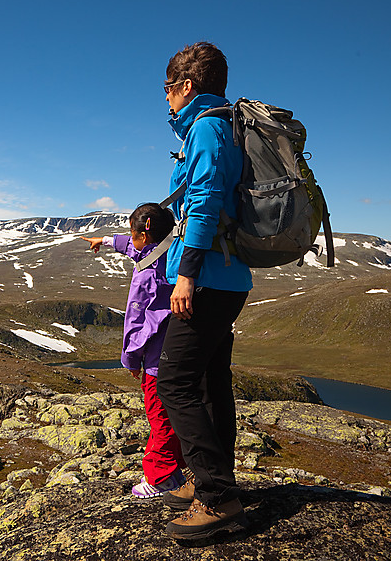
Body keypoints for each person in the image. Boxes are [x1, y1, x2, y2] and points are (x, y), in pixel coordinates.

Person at [155, 41, 253, 539]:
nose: (166, 98)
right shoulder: (226, 126)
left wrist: (187, 274)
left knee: (174, 382)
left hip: (208, 278)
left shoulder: (209, 128)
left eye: (168, 88)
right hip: (226, 278)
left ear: (187, 86)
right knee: (211, 381)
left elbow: (205, 201)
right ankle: (215, 481)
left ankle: (218, 498)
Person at [82, 203, 187, 498]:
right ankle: (178, 467)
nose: (131, 239)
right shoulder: (171, 251)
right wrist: (103, 241)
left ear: (147, 231)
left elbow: (138, 322)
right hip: (180, 352)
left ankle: (161, 478)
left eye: (134, 233)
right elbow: (133, 246)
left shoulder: (147, 277)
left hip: (156, 362)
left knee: (159, 418)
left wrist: (130, 359)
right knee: (174, 414)